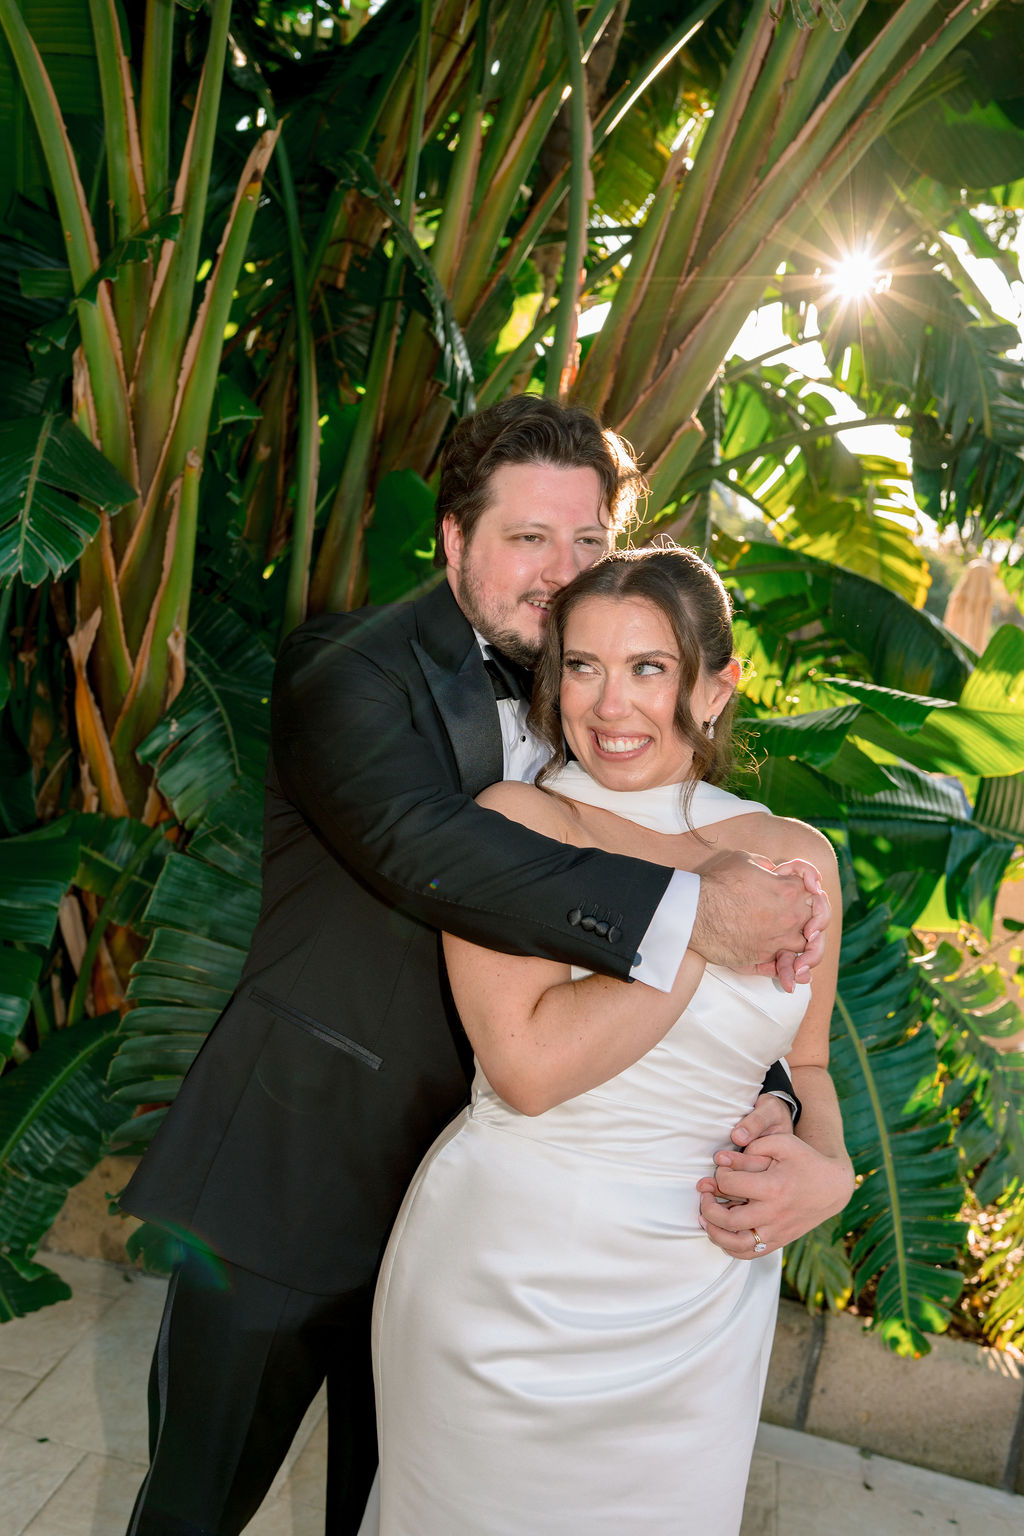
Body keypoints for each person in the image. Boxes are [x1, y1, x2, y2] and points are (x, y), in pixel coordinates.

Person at [120, 396, 833, 1536]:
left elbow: (747, 1003)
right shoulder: (349, 670)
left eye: (589, 540)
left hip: (502, 1219)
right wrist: (697, 906)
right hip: (305, 1166)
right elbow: (426, 847)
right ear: (455, 541)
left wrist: (786, 1115)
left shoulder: (601, 701)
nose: (562, 574)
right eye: (527, 539)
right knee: (200, 1507)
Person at [367, 547, 854, 1535]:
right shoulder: (513, 824)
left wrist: (831, 1170)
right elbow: (531, 1071)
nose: (608, 704)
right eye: (581, 666)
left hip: (702, 1296)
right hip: (510, 1281)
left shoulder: (795, 856)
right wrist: (695, 915)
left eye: (649, 668)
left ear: (716, 690)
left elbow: (805, 1063)